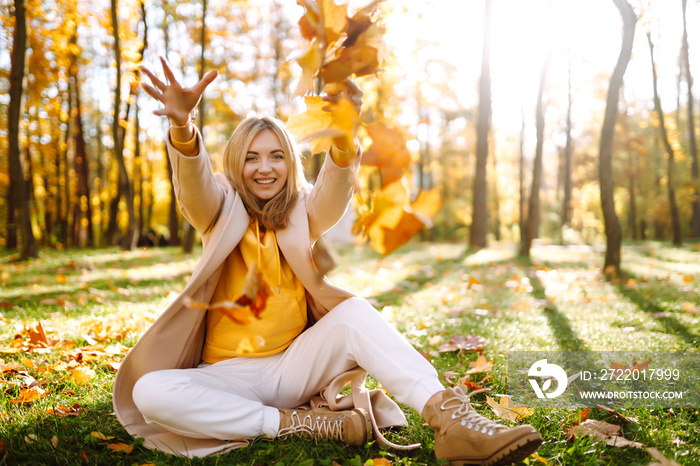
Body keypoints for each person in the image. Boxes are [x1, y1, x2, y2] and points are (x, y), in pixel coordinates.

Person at [112, 57, 543, 465]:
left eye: (276, 156)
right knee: (151, 392)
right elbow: (194, 186)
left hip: (294, 365)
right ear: (235, 163)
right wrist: (183, 126)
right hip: (226, 376)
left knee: (354, 311)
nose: (265, 168)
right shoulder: (218, 209)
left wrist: (344, 132)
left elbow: (334, 191)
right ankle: (303, 425)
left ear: (289, 163)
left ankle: (451, 420)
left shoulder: (302, 210)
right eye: (252, 157)